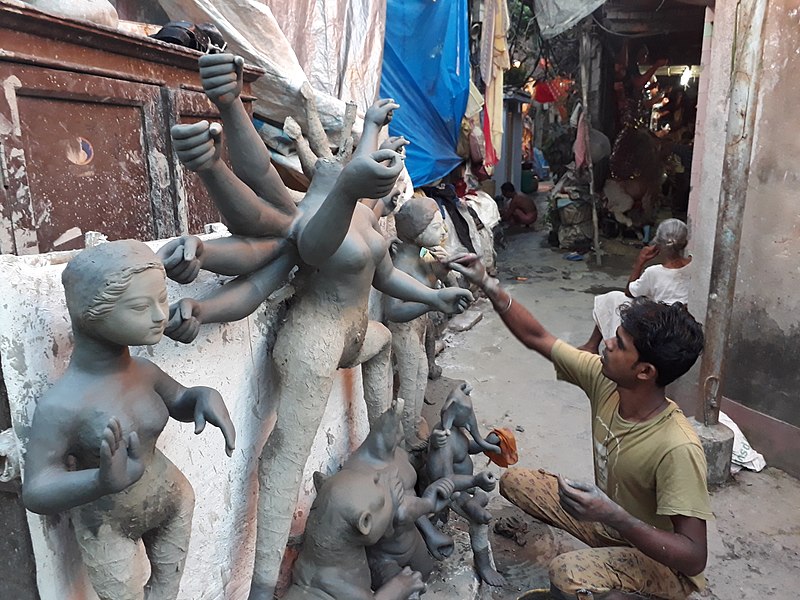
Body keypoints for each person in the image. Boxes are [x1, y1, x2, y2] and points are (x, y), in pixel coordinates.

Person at [161, 53, 473, 599]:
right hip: (314, 339)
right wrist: (204, 308)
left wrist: (433, 293)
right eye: (349, 167)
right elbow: (298, 252)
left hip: (355, 334)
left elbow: (385, 277)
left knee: (381, 353)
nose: (355, 163)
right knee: (285, 456)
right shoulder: (315, 217)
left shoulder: (362, 213)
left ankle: (385, 459)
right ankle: (262, 585)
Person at [446, 253, 711, 600]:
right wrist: (488, 284)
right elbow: (537, 337)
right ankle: (604, 555)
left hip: (662, 564)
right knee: (515, 481)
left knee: (567, 573)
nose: (607, 344)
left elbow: (693, 557)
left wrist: (617, 517)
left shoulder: (677, 446)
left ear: (645, 372)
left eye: (620, 344)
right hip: (608, 523)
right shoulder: (606, 380)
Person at [23, 240, 235, 600]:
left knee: (168, 589)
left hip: (173, 500)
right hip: (106, 524)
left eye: (163, 300)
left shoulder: (145, 371)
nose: (160, 315)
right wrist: (99, 481)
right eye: (141, 306)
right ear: (90, 313)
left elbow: (180, 400)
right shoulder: (62, 405)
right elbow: (36, 489)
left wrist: (200, 396)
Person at [580, 218, 692, 354]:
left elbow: (630, 292)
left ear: (658, 244)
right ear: (685, 242)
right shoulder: (695, 266)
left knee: (614, 298)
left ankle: (593, 346)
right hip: (682, 319)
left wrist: (640, 261)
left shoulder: (654, 272)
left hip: (660, 324)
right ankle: (591, 346)